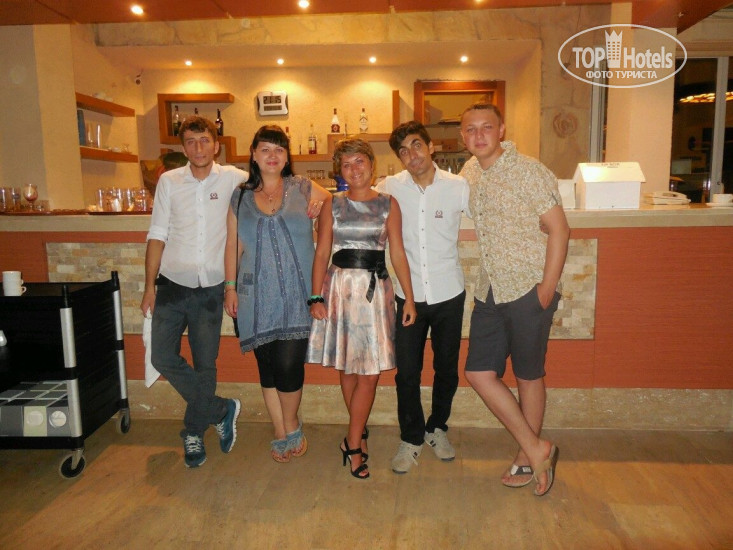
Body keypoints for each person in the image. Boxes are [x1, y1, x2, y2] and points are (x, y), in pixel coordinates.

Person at [459, 103, 570, 496]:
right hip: (490, 288)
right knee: (478, 373)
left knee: (527, 374)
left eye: (486, 127)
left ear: (501, 130)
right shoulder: (469, 172)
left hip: (528, 286)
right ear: (462, 136)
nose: (479, 135)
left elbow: (559, 230)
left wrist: (546, 289)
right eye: (471, 129)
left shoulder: (529, 171)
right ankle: (538, 447)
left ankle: (527, 456)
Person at [306, 138, 417, 480]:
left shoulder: (388, 204)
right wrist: (315, 297)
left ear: (371, 165)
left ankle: (352, 442)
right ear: (339, 170)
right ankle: (358, 433)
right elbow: (322, 252)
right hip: (339, 289)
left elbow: (397, 253)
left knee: (370, 373)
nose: (354, 169)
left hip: (374, 293)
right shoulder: (333, 204)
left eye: (359, 162)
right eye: (346, 164)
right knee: (348, 368)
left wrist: (409, 298)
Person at [140, 115, 245, 468]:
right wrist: (149, 286)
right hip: (171, 283)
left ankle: (194, 431)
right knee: (161, 356)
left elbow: (276, 183)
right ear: (183, 148)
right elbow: (157, 234)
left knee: (205, 363)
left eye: (204, 141)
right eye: (190, 142)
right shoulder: (169, 182)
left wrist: (315, 200)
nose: (198, 148)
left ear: (216, 145)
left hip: (212, 286)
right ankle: (220, 408)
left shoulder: (235, 178)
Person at [224, 125, 330, 463]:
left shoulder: (302, 187)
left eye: (279, 150)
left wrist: (321, 201)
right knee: (267, 365)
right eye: (266, 149)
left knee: (288, 363)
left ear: (287, 157)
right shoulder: (240, 196)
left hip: (298, 293)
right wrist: (229, 287)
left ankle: (292, 422)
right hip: (255, 294)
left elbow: (333, 199)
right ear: (254, 155)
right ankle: (280, 430)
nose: (272, 155)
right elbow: (233, 245)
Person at [376, 121, 470, 474]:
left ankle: (437, 428)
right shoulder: (390, 187)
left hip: (449, 292)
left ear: (431, 147)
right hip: (408, 296)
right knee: (407, 372)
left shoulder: (458, 187)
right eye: (403, 151)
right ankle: (411, 437)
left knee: (446, 368)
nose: (411, 155)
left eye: (416, 145)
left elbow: (489, 215)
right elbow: (354, 194)